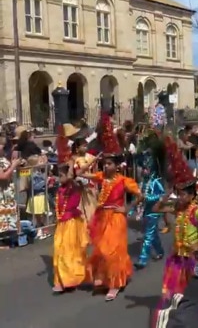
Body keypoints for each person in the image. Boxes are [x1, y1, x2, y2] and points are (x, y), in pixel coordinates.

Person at [154, 136, 198, 323]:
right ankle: (184, 315)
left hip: (192, 256)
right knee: (177, 290)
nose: (180, 196)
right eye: (178, 192)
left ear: (191, 195)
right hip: (177, 257)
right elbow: (156, 210)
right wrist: (166, 196)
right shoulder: (177, 207)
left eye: (183, 193)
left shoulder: (197, 211)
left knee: (197, 289)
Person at [79, 113, 142, 301]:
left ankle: (115, 283)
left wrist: (128, 209)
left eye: (109, 164)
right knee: (101, 249)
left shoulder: (124, 180)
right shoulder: (100, 177)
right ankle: (104, 279)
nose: (106, 167)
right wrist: (95, 157)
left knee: (113, 251)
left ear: (117, 165)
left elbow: (140, 196)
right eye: (104, 164)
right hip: (102, 217)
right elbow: (80, 173)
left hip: (116, 216)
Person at [51, 126, 88, 293]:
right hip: (61, 224)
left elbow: (73, 174)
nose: (59, 178)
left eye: (61, 175)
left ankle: (68, 280)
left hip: (72, 222)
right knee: (59, 251)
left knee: (69, 252)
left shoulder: (74, 185)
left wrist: (71, 163)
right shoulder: (60, 188)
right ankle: (60, 280)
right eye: (58, 175)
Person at [133, 131, 166, 269]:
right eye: (143, 168)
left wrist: (147, 197)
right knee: (152, 233)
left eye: (147, 167)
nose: (144, 170)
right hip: (146, 209)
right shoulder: (145, 181)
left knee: (148, 235)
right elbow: (138, 158)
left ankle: (142, 259)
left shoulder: (156, 181)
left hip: (154, 210)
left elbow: (160, 196)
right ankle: (160, 251)